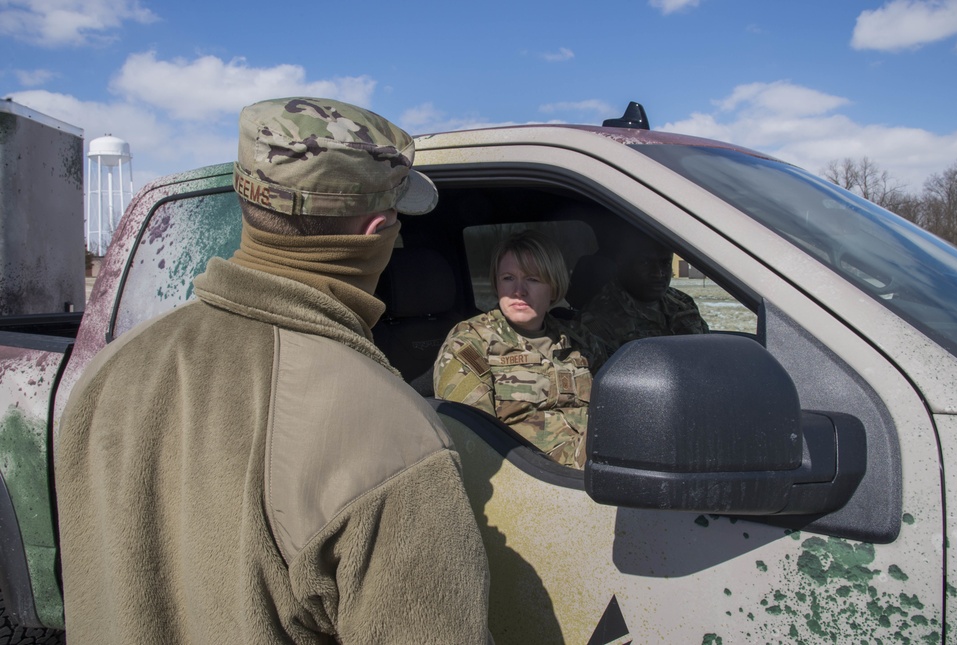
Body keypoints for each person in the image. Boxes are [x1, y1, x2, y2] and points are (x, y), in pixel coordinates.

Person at [55, 97, 491, 644]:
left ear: (247, 200)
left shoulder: (108, 371)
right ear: (377, 230)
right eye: (398, 222)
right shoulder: (391, 437)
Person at [433, 229, 605, 469]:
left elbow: (612, 409)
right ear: (496, 284)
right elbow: (472, 442)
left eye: (532, 279)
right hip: (533, 478)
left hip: (599, 466)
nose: (518, 290)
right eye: (508, 278)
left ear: (553, 288)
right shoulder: (472, 341)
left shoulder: (581, 340)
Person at [579, 231, 708, 354]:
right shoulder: (600, 318)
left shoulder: (683, 303)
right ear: (623, 263)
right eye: (645, 263)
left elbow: (707, 350)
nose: (658, 274)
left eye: (665, 263)